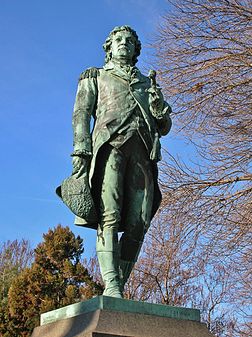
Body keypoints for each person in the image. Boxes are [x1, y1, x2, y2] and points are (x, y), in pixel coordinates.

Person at [71, 25, 172, 298]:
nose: (124, 43)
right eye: (119, 40)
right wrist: (81, 150)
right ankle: (112, 284)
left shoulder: (147, 83)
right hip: (110, 147)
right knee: (110, 215)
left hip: (142, 152)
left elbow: (164, 126)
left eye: (130, 40)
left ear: (136, 49)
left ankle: (118, 285)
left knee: (139, 220)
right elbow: (81, 114)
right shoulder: (96, 76)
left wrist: (159, 109)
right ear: (109, 46)